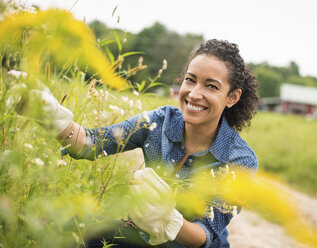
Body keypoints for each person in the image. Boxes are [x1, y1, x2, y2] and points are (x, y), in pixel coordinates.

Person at [17, 39, 259, 248]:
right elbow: (91, 143)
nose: (195, 93)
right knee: (69, 229)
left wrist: (168, 221)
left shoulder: (240, 160)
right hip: (142, 238)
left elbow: (205, 235)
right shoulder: (160, 121)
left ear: (232, 97)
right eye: (190, 80)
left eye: (211, 86)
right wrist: (53, 118)